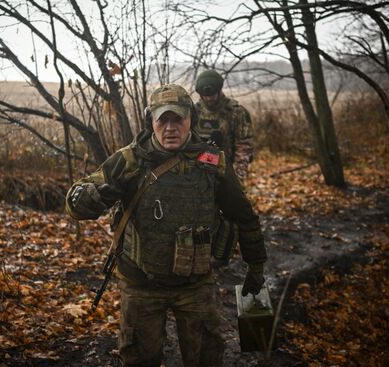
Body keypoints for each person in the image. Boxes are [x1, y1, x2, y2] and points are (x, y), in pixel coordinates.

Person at [66, 84, 267, 367]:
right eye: (163, 120)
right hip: (141, 285)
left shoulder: (212, 162)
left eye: (178, 119)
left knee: (208, 358)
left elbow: (244, 216)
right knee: (139, 359)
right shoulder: (130, 160)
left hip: (196, 286)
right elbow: (78, 198)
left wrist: (256, 267)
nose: (170, 128)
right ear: (151, 121)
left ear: (191, 120)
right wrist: (89, 199)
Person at [195, 69, 254, 180]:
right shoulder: (194, 112)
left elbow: (244, 146)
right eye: (205, 96)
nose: (208, 99)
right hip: (199, 172)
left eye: (212, 95)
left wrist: (238, 176)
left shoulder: (236, 112)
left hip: (229, 170)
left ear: (219, 91)